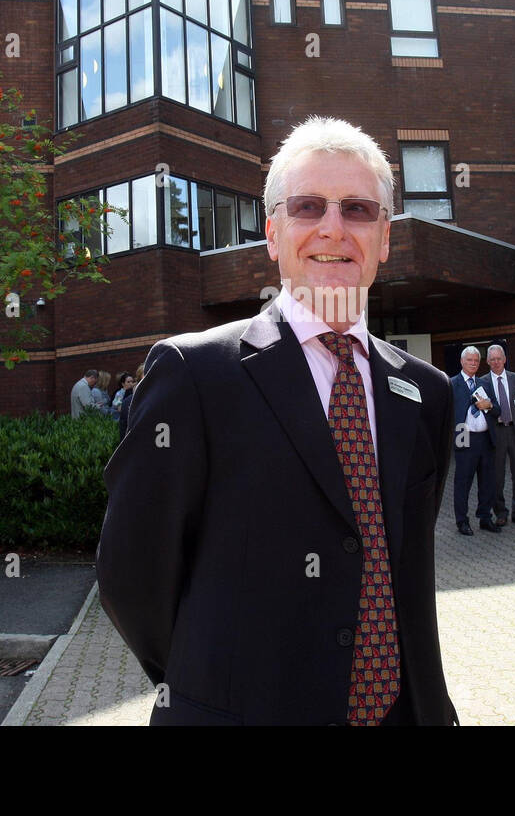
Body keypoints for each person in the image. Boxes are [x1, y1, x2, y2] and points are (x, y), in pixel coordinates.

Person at [98, 117, 457, 725]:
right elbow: (132, 576)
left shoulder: (426, 392)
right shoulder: (195, 374)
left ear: (386, 237)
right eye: (308, 206)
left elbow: (406, 576)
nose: (333, 228)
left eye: (359, 210)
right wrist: (206, 684)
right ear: (273, 233)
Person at [450, 345, 501, 535]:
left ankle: (485, 518)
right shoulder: (452, 383)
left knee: (487, 481)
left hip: (485, 439)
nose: (473, 363)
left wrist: (488, 405)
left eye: (476, 361)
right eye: (469, 360)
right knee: (463, 481)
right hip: (465, 436)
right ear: (462, 362)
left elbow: (497, 410)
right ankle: (462, 521)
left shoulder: (484, 384)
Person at [485, 344, 515, 527]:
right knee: (497, 476)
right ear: (488, 362)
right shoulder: (484, 382)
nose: (496, 362)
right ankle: (500, 512)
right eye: (493, 359)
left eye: (499, 358)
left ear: (504, 359)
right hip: (496, 434)